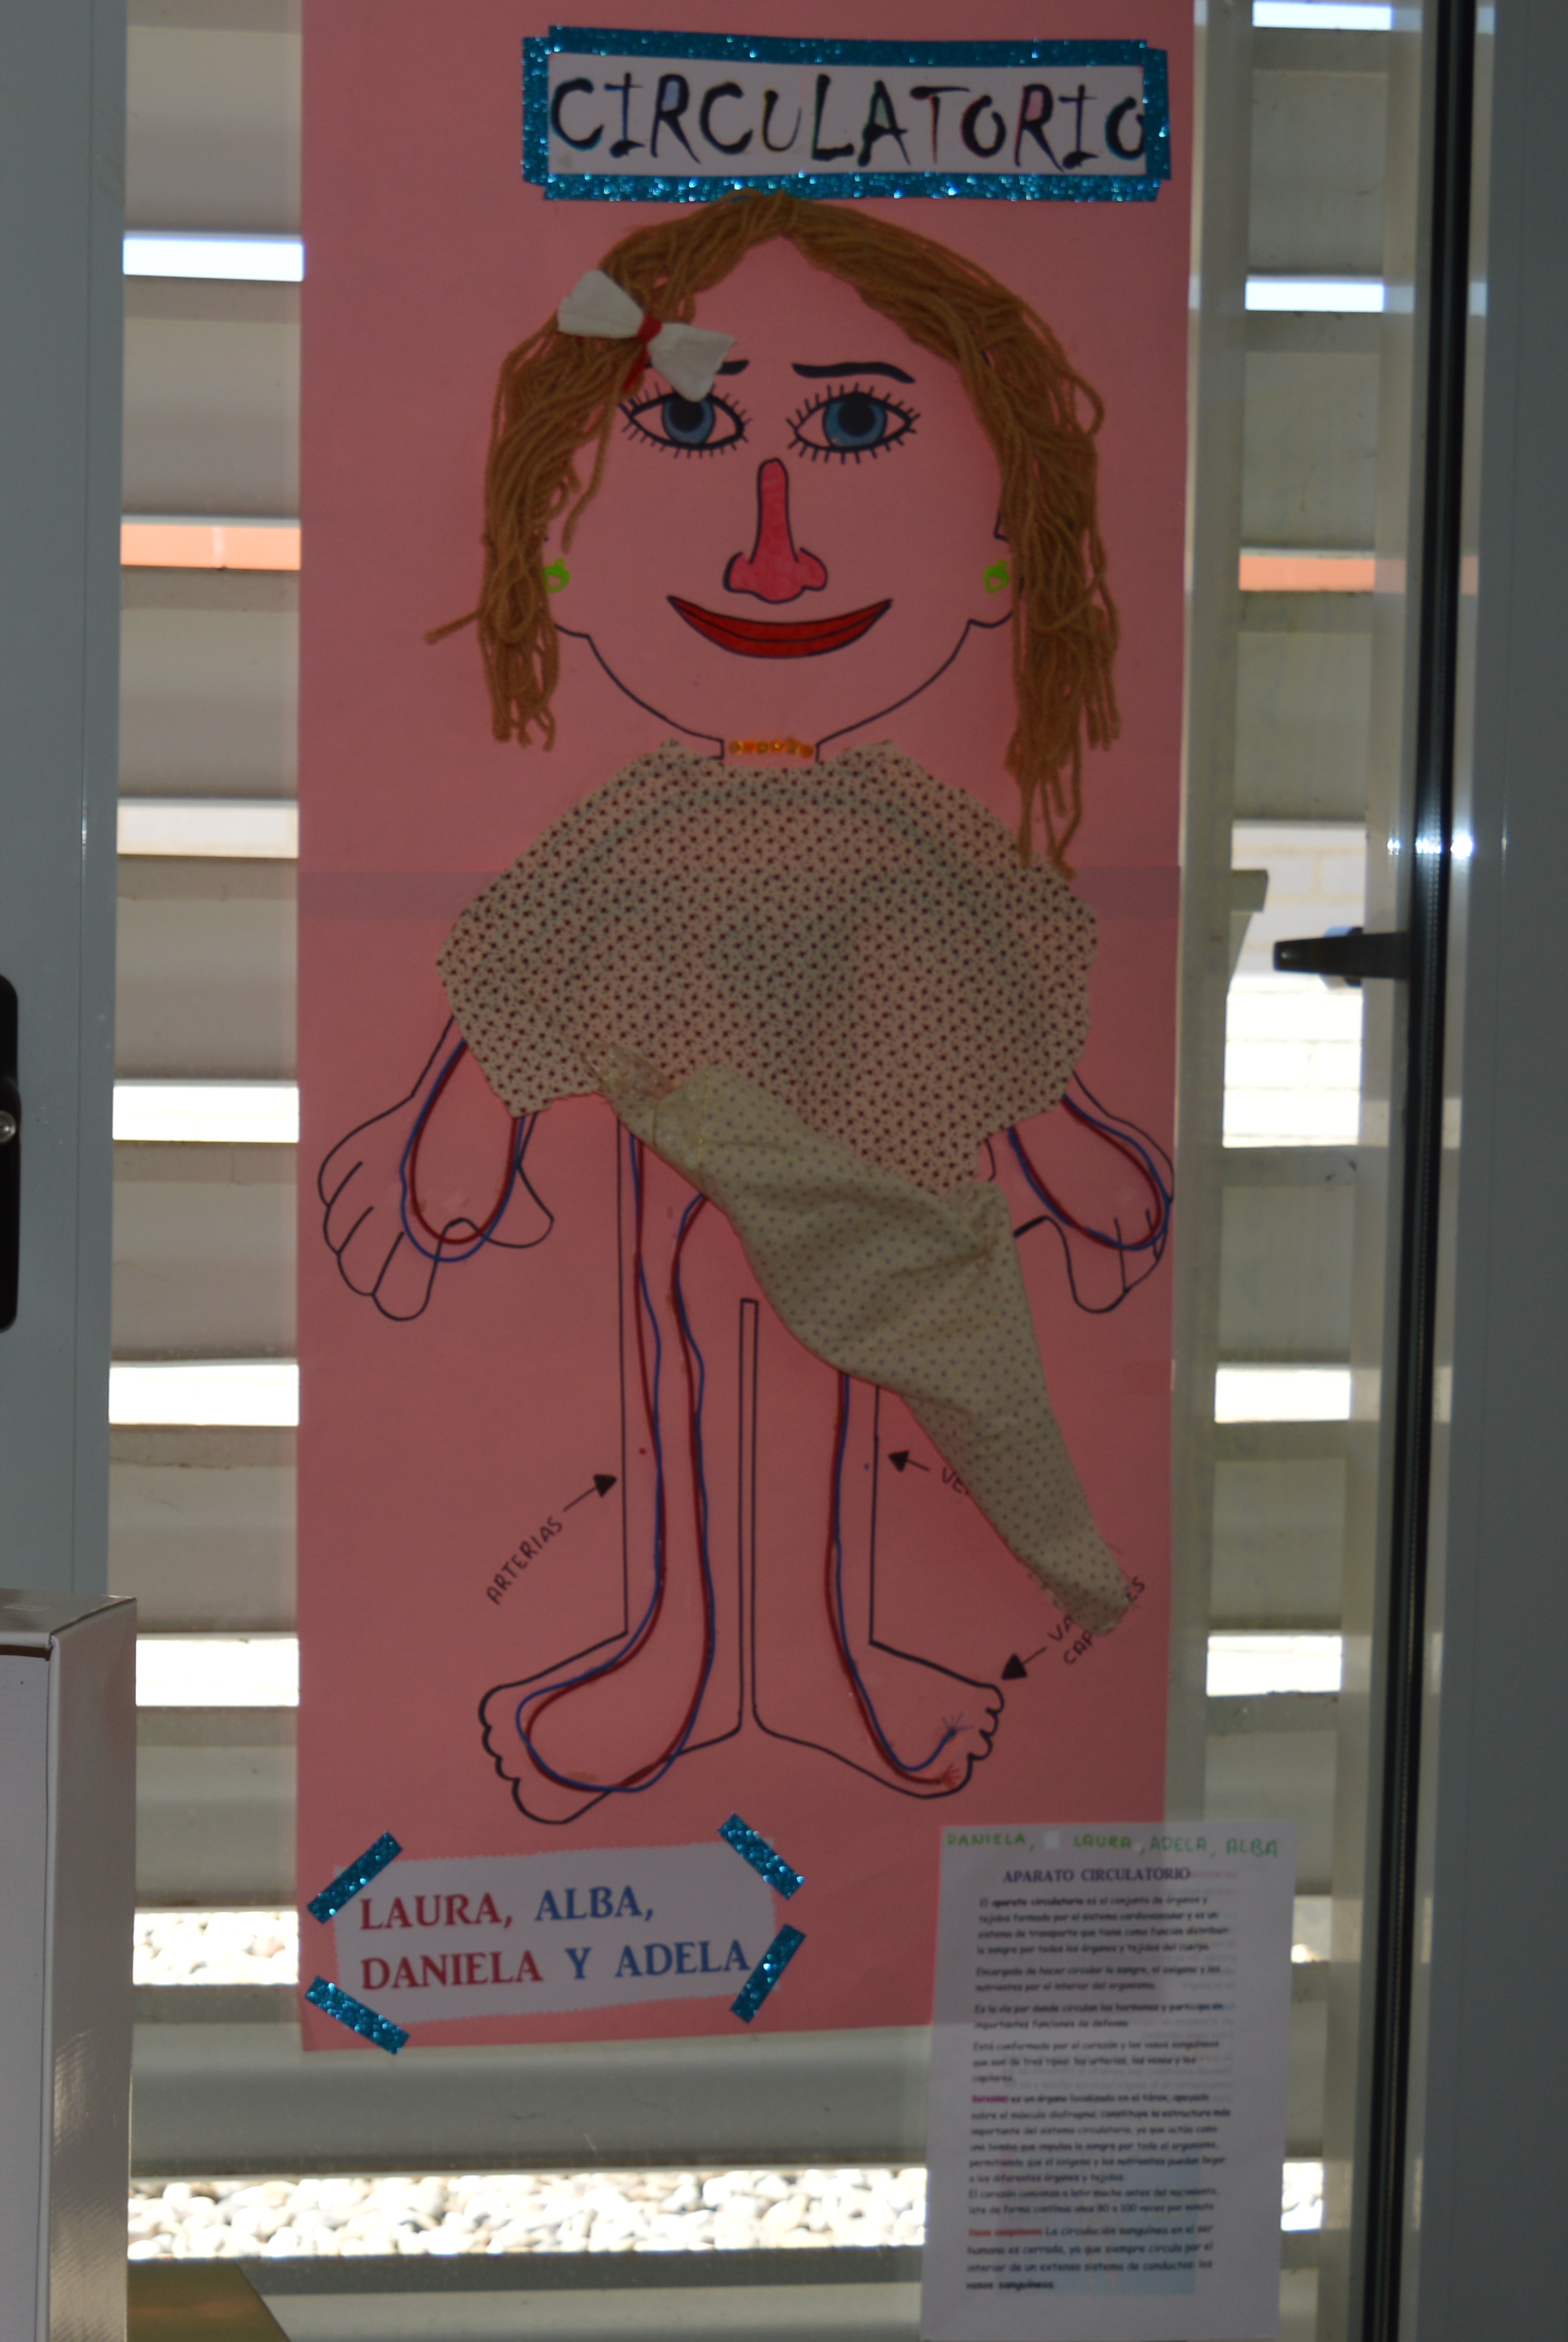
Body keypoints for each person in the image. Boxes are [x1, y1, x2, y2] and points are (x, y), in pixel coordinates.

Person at [316, 191, 1170, 1816]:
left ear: (1005, 556)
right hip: (685, 1172)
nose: (773, 547)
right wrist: (467, 1127)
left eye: (851, 427)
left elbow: (1002, 995)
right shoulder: (632, 828)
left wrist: (1060, 1135)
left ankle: (825, 1659)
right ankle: (680, 1650)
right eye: (695, 426)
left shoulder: (916, 833)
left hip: (891, 1183)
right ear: (552, 551)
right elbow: (525, 977)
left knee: (852, 1376)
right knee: (698, 1350)